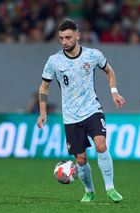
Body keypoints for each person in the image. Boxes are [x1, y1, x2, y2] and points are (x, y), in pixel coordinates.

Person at [36, 19, 126, 203]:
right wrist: (42, 112)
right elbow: (44, 87)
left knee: (101, 146)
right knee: (81, 160)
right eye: (61, 38)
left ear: (77, 36)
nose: (64, 42)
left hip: (92, 109)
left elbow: (109, 71)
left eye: (68, 37)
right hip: (70, 117)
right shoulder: (54, 61)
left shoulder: (93, 55)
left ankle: (110, 188)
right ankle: (89, 191)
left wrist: (114, 93)